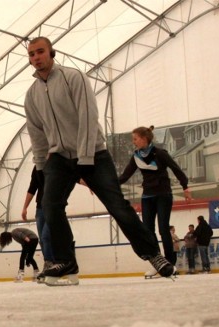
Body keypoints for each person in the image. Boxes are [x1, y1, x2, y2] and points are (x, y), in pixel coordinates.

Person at [24, 36, 175, 286]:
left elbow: (88, 115)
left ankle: (154, 255)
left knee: (117, 206)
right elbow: (36, 132)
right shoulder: (32, 95)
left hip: (93, 154)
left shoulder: (74, 77)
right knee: (50, 207)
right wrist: (41, 166)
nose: (36, 57)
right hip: (59, 158)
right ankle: (66, 263)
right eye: (31, 54)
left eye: (40, 52)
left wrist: (85, 156)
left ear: (52, 53)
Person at [118, 126, 191, 277]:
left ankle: (169, 263)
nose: (134, 142)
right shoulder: (136, 156)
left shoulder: (160, 153)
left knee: (163, 229)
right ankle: (157, 262)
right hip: (147, 197)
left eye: (135, 139)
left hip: (163, 194)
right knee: (148, 232)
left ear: (144, 139)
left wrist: (185, 187)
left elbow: (175, 168)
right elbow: (125, 176)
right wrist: (105, 185)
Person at [21, 166, 54, 272]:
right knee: (43, 240)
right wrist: (25, 207)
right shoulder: (37, 168)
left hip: (54, 206)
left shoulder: (56, 163)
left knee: (46, 236)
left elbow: (73, 177)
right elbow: (32, 188)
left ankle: (50, 263)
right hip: (40, 208)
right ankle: (50, 264)